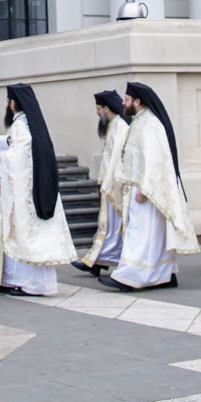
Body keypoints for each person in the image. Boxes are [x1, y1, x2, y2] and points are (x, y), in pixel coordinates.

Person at [101, 81, 198, 291]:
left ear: (138, 101)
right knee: (147, 234)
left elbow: (154, 159)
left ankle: (131, 275)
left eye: (127, 99)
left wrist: (145, 188)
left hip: (146, 190)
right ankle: (163, 274)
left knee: (143, 234)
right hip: (138, 187)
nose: (123, 103)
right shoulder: (139, 121)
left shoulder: (151, 124)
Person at [0, 85, 78, 296]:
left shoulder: (20, 126)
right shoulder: (33, 124)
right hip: (36, 188)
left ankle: (33, 284)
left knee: (24, 237)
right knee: (27, 237)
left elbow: (19, 159)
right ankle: (11, 280)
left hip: (25, 192)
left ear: (12, 103)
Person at [73, 90, 131, 276]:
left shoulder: (120, 126)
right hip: (108, 183)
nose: (97, 113)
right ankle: (98, 260)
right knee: (109, 226)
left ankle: (100, 260)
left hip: (115, 185)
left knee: (113, 227)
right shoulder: (113, 125)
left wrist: (107, 183)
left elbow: (115, 158)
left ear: (107, 108)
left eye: (99, 109)